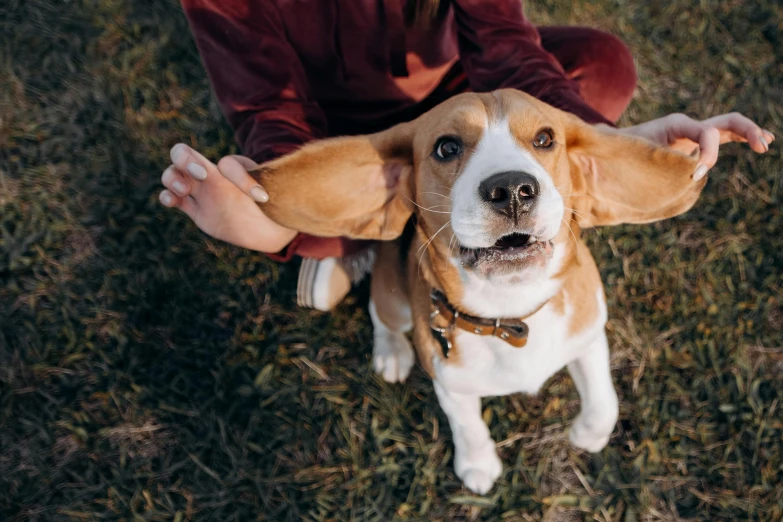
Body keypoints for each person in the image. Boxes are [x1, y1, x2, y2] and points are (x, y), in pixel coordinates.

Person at [159, 0, 773, 311]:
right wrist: (269, 223)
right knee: (295, 207)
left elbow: (509, 51)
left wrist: (613, 141)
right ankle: (359, 245)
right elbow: (272, 109)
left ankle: (373, 235)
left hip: (465, 101)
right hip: (342, 132)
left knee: (604, 62)